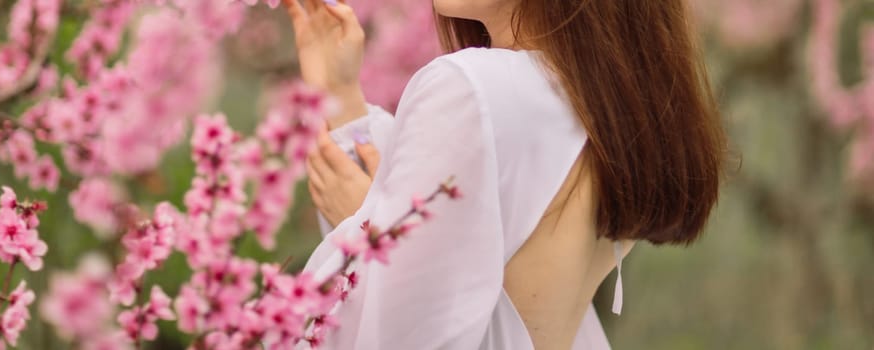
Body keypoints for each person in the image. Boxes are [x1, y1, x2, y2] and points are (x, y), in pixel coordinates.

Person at [285, 0, 727, 348]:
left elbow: (387, 336)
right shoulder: (607, 119)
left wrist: (368, 229)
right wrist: (340, 95)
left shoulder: (474, 89)